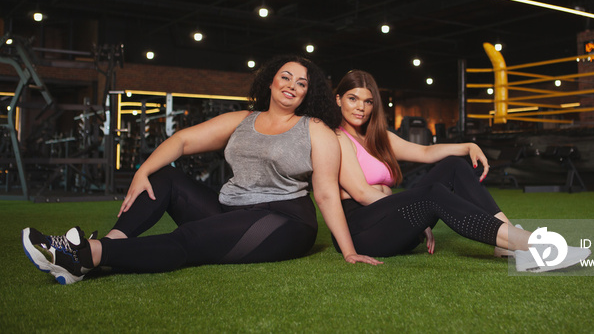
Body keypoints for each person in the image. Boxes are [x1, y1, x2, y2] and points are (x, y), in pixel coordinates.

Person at [22, 55, 381, 285]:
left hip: (284, 220)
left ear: (307, 93)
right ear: (271, 81)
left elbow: (325, 192)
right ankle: (113, 243)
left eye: (301, 83)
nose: (292, 86)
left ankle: (84, 255)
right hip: (232, 209)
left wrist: (348, 251)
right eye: (286, 77)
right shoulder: (243, 120)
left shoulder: (314, 128)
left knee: (189, 242)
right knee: (165, 177)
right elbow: (182, 141)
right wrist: (141, 171)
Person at [333, 70, 590, 272]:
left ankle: (510, 245)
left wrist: (467, 146)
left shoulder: (379, 137)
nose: (361, 108)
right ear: (338, 99)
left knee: (454, 165)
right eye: (352, 99)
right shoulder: (337, 138)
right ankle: (531, 244)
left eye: (367, 101)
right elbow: (363, 193)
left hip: (391, 223)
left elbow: (424, 153)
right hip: (364, 232)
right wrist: (409, 208)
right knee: (431, 193)